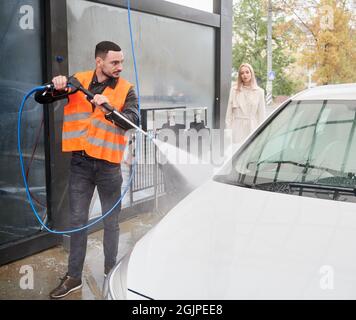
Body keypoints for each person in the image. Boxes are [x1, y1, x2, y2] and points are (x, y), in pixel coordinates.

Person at [35, 41, 139, 299]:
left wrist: (110, 109)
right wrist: (56, 85)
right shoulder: (77, 81)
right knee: (77, 222)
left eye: (122, 62)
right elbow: (41, 97)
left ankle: (110, 271)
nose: (120, 67)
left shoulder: (126, 90)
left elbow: (134, 121)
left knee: (111, 222)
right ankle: (73, 277)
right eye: (115, 62)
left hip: (109, 167)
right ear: (99, 61)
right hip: (80, 165)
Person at [225, 63, 266, 144]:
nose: (245, 75)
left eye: (247, 72)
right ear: (240, 76)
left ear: (251, 73)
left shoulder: (259, 92)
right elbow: (229, 114)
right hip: (237, 129)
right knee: (237, 154)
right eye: (242, 73)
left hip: (253, 128)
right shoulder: (234, 90)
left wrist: (261, 133)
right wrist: (228, 131)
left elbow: (262, 115)